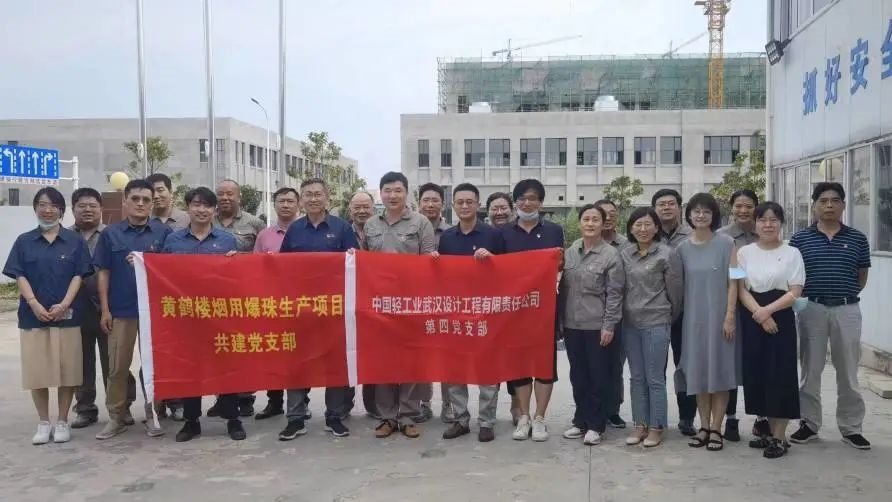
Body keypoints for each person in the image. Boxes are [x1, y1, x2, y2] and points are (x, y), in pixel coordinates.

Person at [3, 187, 93, 444]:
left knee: (68, 371)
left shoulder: (74, 241)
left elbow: (79, 275)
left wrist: (64, 304)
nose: (48, 210)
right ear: (35, 209)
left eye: (54, 205)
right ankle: (44, 422)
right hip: (34, 317)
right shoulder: (24, 241)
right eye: (42, 204)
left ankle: (62, 420)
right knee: (37, 371)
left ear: (62, 211)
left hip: (68, 316)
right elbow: (19, 274)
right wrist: (33, 303)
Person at [789, 182, 872, 450]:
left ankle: (851, 428)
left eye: (835, 200)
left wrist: (842, 296)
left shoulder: (857, 238)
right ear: (814, 205)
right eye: (823, 201)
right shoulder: (800, 239)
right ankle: (809, 424)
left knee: (848, 371)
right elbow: (794, 276)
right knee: (810, 369)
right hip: (811, 309)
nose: (829, 205)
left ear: (843, 205)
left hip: (847, 310)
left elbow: (861, 276)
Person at [160, 187, 245, 442]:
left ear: (214, 210)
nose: (201, 210)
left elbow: (236, 279)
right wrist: (141, 264)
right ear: (188, 208)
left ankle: (233, 419)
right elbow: (162, 273)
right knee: (190, 369)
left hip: (219, 315)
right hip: (185, 318)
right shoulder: (173, 241)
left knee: (226, 367)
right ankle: (191, 421)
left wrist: (237, 262)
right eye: (196, 204)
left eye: (207, 205)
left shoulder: (227, 240)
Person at [277, 179, 358, 441]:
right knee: (297, 364)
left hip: (333, 308)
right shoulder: (294, 229)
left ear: (327, 197)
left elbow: (354, 263)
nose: (313, 199)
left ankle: (334, 416)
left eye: (318, 194)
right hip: (300, 309)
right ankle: (295, 418)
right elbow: (281, 266)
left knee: (334, 362)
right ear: (302, 199)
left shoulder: (341, 228)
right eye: (308, 195)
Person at [93, 179, 172, 440]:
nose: (140, 204)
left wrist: (147, 262)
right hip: (121, 310)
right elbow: (103, 272)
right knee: (117, 367)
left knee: (152, 366)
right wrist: (105, 309)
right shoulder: (111, 234)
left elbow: (172, 268)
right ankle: (116, 416)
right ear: (125, 201)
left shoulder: (163, 233)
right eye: (135, 199)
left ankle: (153, 414)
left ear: (152, 204)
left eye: (146, 200)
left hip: (155, 312)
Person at [365, 171, 435, 439]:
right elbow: (363, 261)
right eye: (387, 190)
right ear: (380, 193)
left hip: (411, 302)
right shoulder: (371, 224)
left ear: (407, 193)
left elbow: (428, 259)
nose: (392, 195)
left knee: (410, 360)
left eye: (398, 190)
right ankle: (387, 416)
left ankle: (407, 415)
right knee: (383, 360)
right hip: (380, 304)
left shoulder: (421, 222)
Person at [436, 183, 503, 442]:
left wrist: (492, 259)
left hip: (485, 311)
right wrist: (434, 261)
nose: (464, 206)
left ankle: (486, 421)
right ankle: (460, 419)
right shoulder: (447, 237)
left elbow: (508, 270)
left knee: (487, 368)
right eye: (460, 202)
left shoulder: (493, 235)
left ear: (478, 205)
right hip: (455, 311)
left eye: (469, 202)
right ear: (453, 205)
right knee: (456, 368)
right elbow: (441, 275)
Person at [737, 202, 804, 459]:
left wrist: (768, 311)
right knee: (756, 373)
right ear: (755, 224)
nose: (768, 224)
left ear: (781, 223)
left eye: (773, 220)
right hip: (751, 315)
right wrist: (759, 313)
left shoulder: (793, 252)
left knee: (781, 374)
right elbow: (740, 289)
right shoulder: (743, 252)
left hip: (781, 316)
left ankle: (779, 437)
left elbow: (795, 290)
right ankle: (764, 429)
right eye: (762, 220)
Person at [69, 188, 137, 429]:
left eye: (92, 205)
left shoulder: (112, 235)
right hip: (76, 309)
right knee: (81, 361)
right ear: (73, 209)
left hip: (110, 307)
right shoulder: (65, 237)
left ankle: (123, 407)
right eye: (82, 205)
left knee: (115, 361)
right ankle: (85, 408)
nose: (87, 210)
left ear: (101, 208)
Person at [675, 193, 739, 452]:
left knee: (720, 372)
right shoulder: (682, 249)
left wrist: (730, 315)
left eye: (706, 211)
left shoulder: (728, 243)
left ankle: (716, 428)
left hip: (722, 319)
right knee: (699, 372)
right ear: (689, 215)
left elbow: (736, 280)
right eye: (696, 211)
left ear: (714, 216)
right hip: (693, 321)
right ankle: (703, 426)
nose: (701, 215)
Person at [502, 179, 564, 442]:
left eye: (532, 198)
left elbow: (560, 266)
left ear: (541, 202)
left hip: (544, 310)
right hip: (514, 311)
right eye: (522, 198)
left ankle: (540, 418)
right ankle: (524, 416)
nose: (527, 203)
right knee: (519, 364)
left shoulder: (554, 231)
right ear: (515, 202)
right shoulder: (503, 233)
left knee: (544, 364)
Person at [558, 204, 624, 446]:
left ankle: (596, 425)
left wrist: (609, 325)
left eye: (595, 219)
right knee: (578, 376)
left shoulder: (610, 255)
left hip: (598, 326)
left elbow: (615, 294)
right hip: (573, 325)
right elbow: (562, 288)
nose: (590, 223)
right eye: (586, 219)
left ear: (603, 224)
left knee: (598, 376)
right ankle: (580, 420)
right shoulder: (571, 252)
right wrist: (561, 321)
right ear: (580, 223)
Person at [620, 207, 682, 448]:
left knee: (655, 378)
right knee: (636, 377)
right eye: (638, 225)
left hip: (656, 322)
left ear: (656, 227)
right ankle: (639, 424)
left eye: (648, 224)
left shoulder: (667, 254)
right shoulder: (625, 254)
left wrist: (667, 316)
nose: (643, 229)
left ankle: (657, 426)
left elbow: (676, 294)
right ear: (631, 228)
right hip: (630, 323)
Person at [211, 179, 265, 417]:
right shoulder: (206, 220)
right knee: (219, 348)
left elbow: (262, 257)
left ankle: (245, 398)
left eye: (230, 194)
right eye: (221, 194)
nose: (225, 198)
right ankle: (222, 398)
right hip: (213, 297)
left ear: (239, 197)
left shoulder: (255, 223)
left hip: (244, 297)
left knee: (243, 349)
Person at [252, 187, 301, 421]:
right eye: (281, 201)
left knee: (297, 354)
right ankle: (275, 401)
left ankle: (300, 403)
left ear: (298, 205)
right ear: (274, 205)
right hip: (272, 302)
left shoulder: (304, 232)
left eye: (290, 201)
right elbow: (254, 267)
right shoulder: (264, 236)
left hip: (301, 302)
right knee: (274, 352)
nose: (286, 205)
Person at [651, 188, 697, 437]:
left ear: (680, 207)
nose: (666, 208)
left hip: (686, 312)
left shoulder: (693, 235)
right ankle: (655, 417)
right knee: (655, 368)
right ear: (654, 209)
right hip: (654, 313)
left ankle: (687, 417)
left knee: (685, 365)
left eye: (671, 203)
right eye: (661, 204)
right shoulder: (647, 234)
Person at [716, 189, 759, 442]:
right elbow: (730, 275)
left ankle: (762, 418)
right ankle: (730, 418)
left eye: (749, 206)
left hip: (761, 307)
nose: (743, 211)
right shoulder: (721, 237)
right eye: (739, 206)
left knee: (757, 363)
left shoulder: (765, 232)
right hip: (731, 306)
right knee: (730, 364)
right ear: (731, 207)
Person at [145, 172, 188, 421]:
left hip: (185, 300)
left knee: (180, 354)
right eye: (151, 192)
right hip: (154, 300)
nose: (156, 195)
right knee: (154, 353)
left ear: (171, 192)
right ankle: (155, 404)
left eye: (161, 190)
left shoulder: (187, 218)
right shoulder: (142, 221)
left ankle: (179, 402)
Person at [416, 182, 452, 423]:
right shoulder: (412, 228)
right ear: (419, 203)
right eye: (425, 200)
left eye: (435, 200)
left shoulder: (451, 232)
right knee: (422, 356)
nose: (430, 204)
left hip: (447, 303)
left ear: (442, 203)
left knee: (448, 356)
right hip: (418, 301)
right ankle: (423, 403)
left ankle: (449, 405)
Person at [485, 191, 519, 421]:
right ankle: (489, 412)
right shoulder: (484, 234)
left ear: (512, 209)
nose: (499, 212)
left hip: (515, 307)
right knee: (491, 361)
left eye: (503, 208)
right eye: (494, 208)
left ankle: (517, 407)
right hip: (488, 308)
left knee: (514, 359)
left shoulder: (519, 234)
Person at [594, 199, 629, 429]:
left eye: (612, 213)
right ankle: (592, 408)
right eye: (603, 214)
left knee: (615, 365)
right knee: (593, 365)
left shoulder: (626, 245)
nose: (608, 218)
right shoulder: (586, 244)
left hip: (619, 315)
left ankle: (613, 409)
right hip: (591, 314)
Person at [348, 190, 379, 418]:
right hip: (347, 300)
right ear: (350, 209)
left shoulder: (380, 228)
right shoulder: (341, 230)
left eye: (365, 207)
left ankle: (374, 404)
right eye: (357, 207)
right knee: (348, 351)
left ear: (373, 208)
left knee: (374, 353)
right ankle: (343, 404)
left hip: (376, 299)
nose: (361, 211)